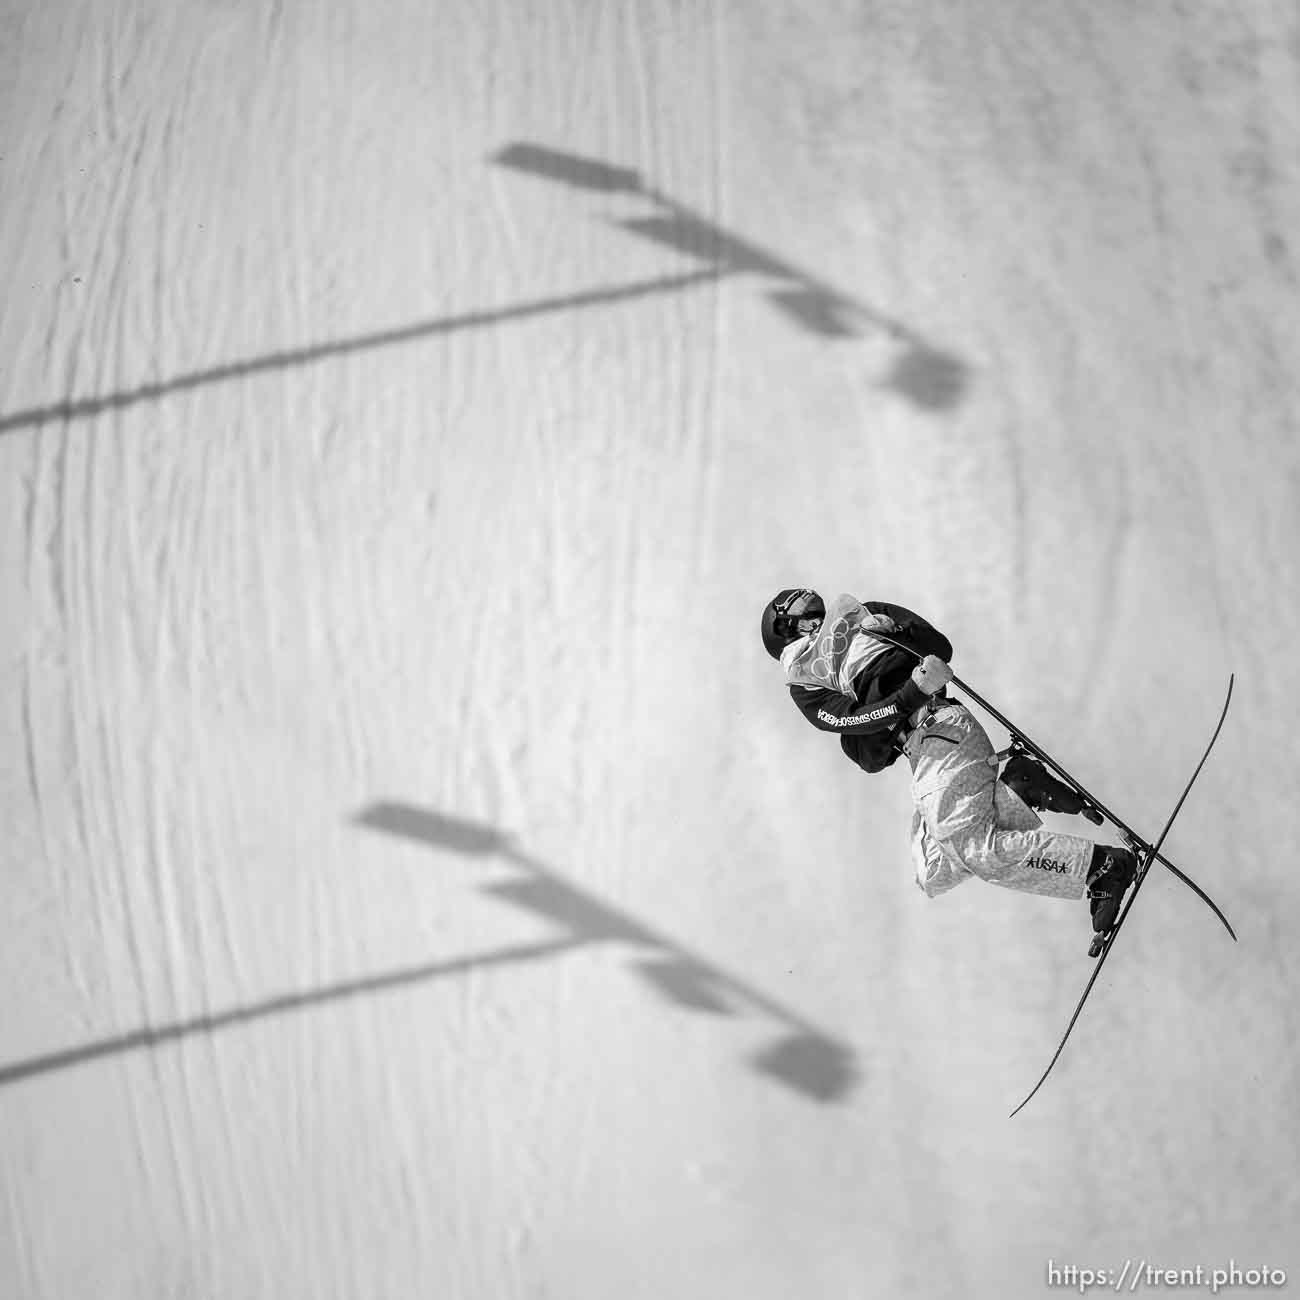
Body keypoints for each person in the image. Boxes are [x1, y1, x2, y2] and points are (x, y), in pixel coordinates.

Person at [760, 589, 1137, 949]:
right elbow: (849, 722)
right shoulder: (805, 678)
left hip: (940, 729)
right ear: (786, 630)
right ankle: (1017, 792)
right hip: (922, 750)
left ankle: (1100, 867)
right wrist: (907, 693)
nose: (815, 617)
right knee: (933, 871)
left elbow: (939, 648)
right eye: (802, 614)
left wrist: (899, 632)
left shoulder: (864, 612)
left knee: (972, 847)